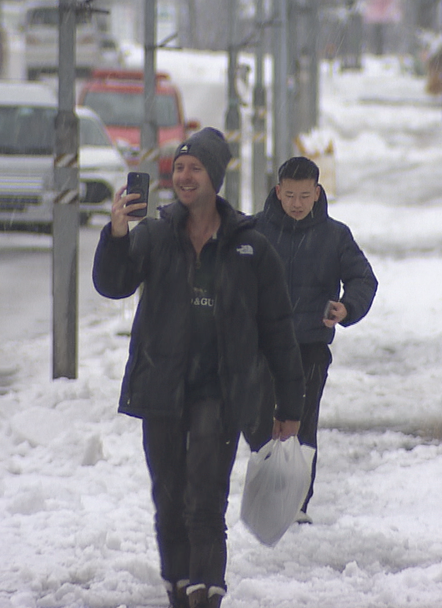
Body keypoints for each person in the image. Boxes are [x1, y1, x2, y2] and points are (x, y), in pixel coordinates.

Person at [92, 127, 306, 608]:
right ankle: (178, 581)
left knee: (205, 496)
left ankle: (207, 587)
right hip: (161, 385)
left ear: (216, 177)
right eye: (180, 167)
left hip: (221, 390)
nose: (184, 176)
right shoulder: (155, 234)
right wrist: (117, 234)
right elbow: (113, 284)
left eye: (196, 168)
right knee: (168, 497)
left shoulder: (251, 246)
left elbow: (278, 330)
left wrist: (289, 406)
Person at [254, 155, 378, 523]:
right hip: (260, 347)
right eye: (289, 195)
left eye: (304, 196)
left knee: (302, 423)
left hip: (309, 347)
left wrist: (347, 307)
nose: (296, 203)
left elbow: (363, 279)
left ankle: (296, 503)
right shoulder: (255, 232)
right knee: (261, 423)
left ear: (317, 193)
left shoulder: (334, 236)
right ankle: (264, 494)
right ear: (278, 192)